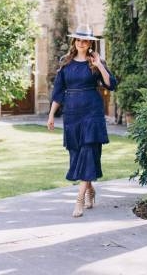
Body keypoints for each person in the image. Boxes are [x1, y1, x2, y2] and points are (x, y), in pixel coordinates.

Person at [46, 24, 118, 218]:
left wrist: (100, 66)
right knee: (77, 154)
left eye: (85, 40)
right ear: (74, 42)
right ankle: (90, 188)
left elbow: (111, 85)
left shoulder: (94, 62)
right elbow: (58, 92)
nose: (81, 43)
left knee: (88, 151)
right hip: (72, 114)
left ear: (90, 43)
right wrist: (52, 115)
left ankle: (79, 200)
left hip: (92, 113)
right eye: (78, 40)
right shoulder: (65, 63)